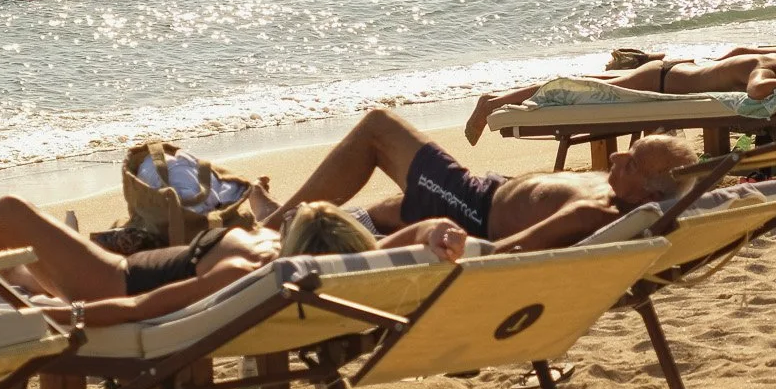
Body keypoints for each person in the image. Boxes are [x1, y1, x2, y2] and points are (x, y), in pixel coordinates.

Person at [0, 192, 468, 324]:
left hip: (110, 284)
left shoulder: (242, 272)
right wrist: (435, 231)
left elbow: (142, 309)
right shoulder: (310, 264)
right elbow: (379, 251)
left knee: (8, 215)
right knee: (11, 262)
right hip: (112, 276)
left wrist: (65, 318)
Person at [272, 106, 698, 248]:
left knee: (378, 129)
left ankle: (278, 226)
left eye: (632, 162)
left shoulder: (595, 212)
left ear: (645, 189)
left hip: (472, 213)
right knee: (392, 209)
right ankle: (299, 226)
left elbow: (506, 252)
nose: (619, 155)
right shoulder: (631, 195)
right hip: (483, 193)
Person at [465, 45, 776, 147]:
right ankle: (493, 103)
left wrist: (713, 64)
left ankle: (496, 98)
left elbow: (738, 49)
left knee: (588, 79)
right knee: (574, 86)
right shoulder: (769, 69)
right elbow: (755, 90)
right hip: (660, 83)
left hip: (670, 74)